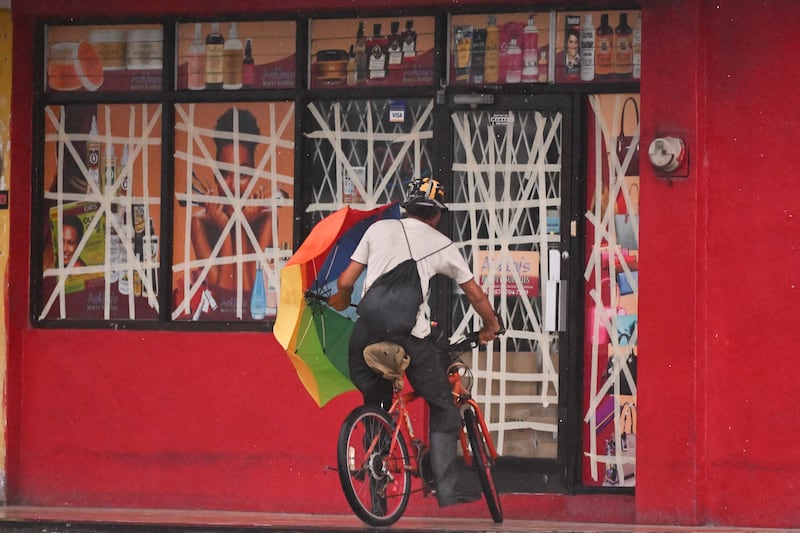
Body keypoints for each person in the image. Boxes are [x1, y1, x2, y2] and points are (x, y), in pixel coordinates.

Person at [328, 176, 501, 507]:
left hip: (364, 334)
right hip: (409, 338)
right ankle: (447, 489)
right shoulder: (442, 245)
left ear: (405, 207)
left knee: (377, 406)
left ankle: (377, 492)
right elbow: (475, 294)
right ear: (436, 215)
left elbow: (346, 280)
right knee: (442, 405)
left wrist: (342, 298)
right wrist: (491, 324)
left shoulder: (379, 229)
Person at [190, 107, 273, 293]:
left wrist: (241, 227)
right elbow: (223, 295)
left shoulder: (265, 217)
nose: (233, 186)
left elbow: (251, 291)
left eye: (243, 174)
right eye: (224, 174)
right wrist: (228, 230)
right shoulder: (199, 222)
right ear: (214, 175)